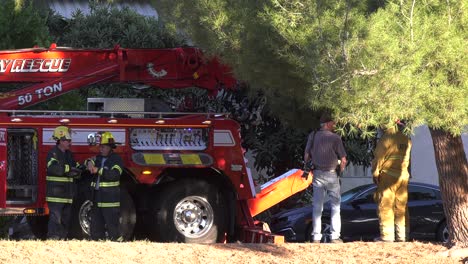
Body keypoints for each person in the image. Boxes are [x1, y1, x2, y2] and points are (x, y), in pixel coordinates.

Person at [304, 113, 347, 243]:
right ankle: (335, 236)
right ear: (328, 124)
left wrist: (308, 165)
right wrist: (341, 169)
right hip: (332, 174)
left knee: (317, 206)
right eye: (333, 123)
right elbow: (343, 159)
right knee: (335, 205)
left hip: (317, 174)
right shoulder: (335, 138)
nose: (335, 125)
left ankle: (316, 236)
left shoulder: (313, 135)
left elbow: (306, 155)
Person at [372, 120, 412, 242]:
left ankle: (387, 237)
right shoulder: (407, 140)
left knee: (385, 205)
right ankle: (403, 236)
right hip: (403, 177)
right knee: (401, 207)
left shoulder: (386, 138)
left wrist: (375, 173)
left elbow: (378, 157)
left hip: (388, 177)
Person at [85, 131, 124, 241]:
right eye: (100, 147)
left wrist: (99, 170)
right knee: (96, 227)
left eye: (103, 147)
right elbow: (89, 160)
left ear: (110, 147)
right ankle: (98, 246)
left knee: (113, 227)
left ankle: (117, 245)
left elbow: (114, 175)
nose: (100, 149)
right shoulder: (98, 158)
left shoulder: (117, 160)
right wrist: (89, 163)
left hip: (110, 199)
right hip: (97, 197)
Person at [46, 126, 81, 239]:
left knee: (66, 219)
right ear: (60, 141)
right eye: (67, 140)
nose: (69, 143)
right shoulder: (53, 153)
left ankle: (62, 238)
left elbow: (75, 167)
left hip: (67, 194)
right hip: (56, 194)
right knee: (55, 218)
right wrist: (68, 169)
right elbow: (53, 168)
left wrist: (83, 167)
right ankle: (53, 238)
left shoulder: (69, 154)